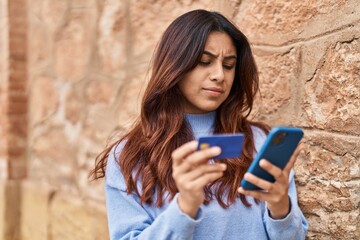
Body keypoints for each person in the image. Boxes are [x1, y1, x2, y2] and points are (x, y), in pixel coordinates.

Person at [90, 9, 308, 240]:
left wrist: (280, 207)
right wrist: (184, 206)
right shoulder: (128, 156)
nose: (219, 76)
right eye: (205, 61)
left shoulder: (260, 141)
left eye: (228, 65)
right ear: (175, 66)